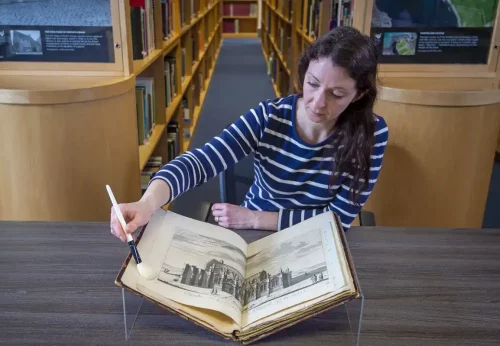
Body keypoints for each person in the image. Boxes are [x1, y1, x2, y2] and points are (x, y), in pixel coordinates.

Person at [110, 26, 388, 242]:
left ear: (358, 95)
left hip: (311, 236)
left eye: (337, 94)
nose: (317, 102)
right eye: (312, 84)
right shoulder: (270, 116)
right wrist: (147, 202)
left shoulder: (372, 134)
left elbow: (338, 219)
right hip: (252, 234)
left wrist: (257, 218)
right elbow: (201, 161)